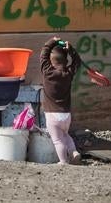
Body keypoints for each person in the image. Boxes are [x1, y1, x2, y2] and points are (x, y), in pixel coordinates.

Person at [40, 36, 83, 165]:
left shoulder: (47, 72)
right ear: (65, 61)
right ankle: (74, 152)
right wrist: (72, 50)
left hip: (52, 114)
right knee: (65, 135)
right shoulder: (68, 73)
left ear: (51, 61)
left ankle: (63, 161)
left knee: (58, 140)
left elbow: (43, 54)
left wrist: (52, 41)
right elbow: (77, 62)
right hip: (66, 115)